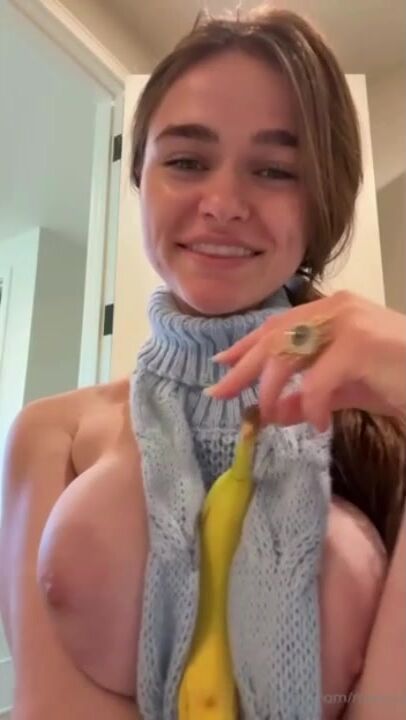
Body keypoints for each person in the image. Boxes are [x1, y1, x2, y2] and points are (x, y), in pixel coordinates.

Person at [1, 5, 405, 720]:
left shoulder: (388, 431)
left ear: (322, 204)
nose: (222, 204)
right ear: (140, 176)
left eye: (275, 170)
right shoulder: (50, 435)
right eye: (187, 161)